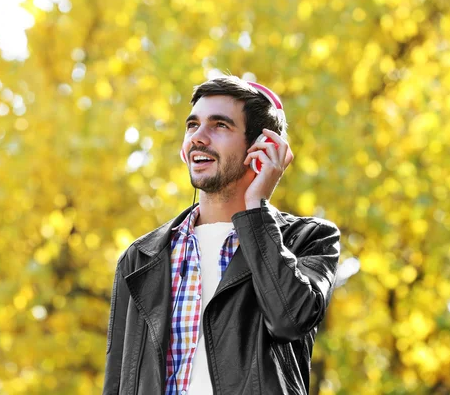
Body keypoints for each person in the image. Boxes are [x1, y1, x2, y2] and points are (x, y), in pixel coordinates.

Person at [103, 75, 341, 395]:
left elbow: (289, 319)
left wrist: (256, 210)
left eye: (220, 126)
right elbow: (118, 380)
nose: (198, 138)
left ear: (262, 148)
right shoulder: (140, 257)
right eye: (192, 126)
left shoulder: (308, 239)